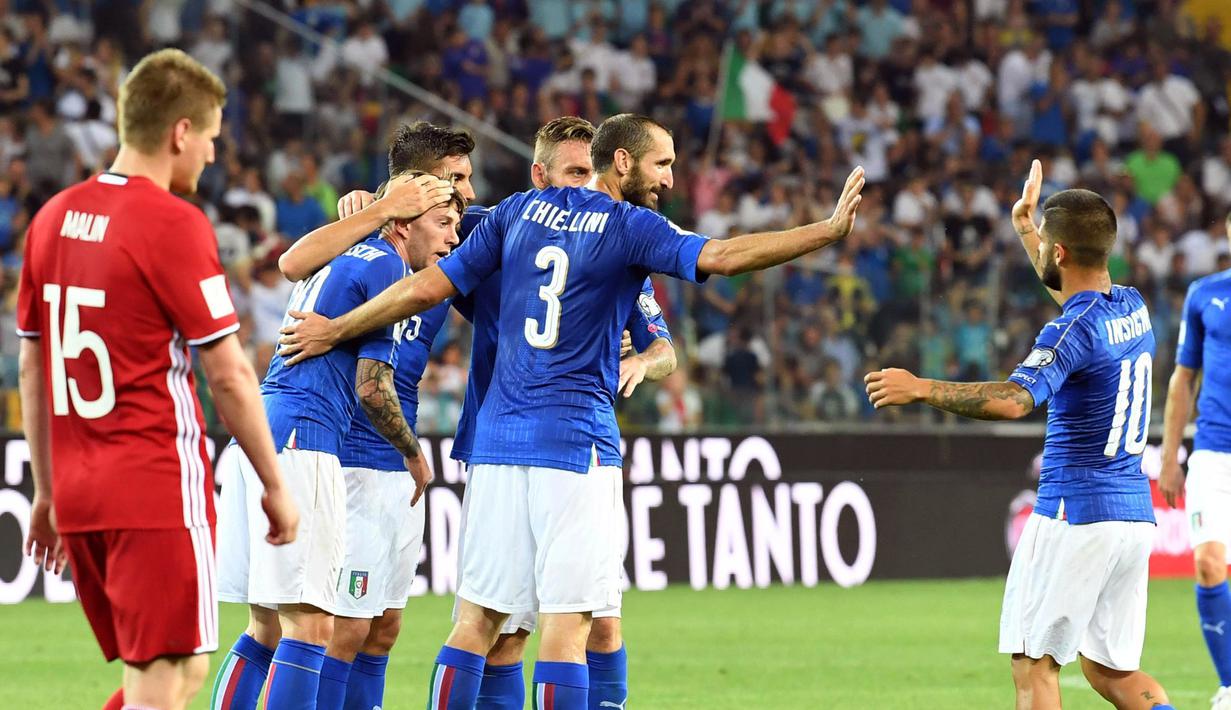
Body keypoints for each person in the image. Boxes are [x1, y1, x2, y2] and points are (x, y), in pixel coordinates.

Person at [279, 113, 864, 709]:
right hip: (574, 444)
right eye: (662, 163)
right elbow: (724, 256)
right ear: (625, 162)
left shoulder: (513, 214)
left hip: (499, 443)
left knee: (478, 622)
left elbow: (429, 285)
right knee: (567, 626)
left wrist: (340, 325)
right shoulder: (631, 227)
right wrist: (826, 230)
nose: (669, 177)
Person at [18, 48, 298, 710]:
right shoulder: (173, 224)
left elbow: (33, 363)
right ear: (179, 132)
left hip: (80, 493)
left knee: (172, 672)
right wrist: (275, 483)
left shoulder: (53, 217)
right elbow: (227, 373)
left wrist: (47, 493)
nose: (210, 153)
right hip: (153, 488)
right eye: (209, 137)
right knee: (163, 683)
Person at [864, 160, 1174, 710]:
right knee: (1110, 672)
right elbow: (1072, 294)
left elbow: (1014, 401)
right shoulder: (1132, 307)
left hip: (1073, 511)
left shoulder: (1069, 330)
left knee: (1034, 666)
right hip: (1131, 515)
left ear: (1059, 253)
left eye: (1045, 245)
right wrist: (1026, 225)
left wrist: (921, 387)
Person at [213, 175, 436, 709]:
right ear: (405, 219)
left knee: (265, 627)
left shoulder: (343, 247)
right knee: (312, 627)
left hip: (263, 430)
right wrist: (411, 451)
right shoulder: (388, 265)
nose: (453, 237)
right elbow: (371, 383)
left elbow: (290, 263)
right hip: (305, 438)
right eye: (444, 221)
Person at [1159, 209, 1231, 710]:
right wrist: (1169, 454)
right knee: (1208, 565)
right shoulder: (1205, 293)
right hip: (1213, 451)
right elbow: (1183, 377)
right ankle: (1229, 687)